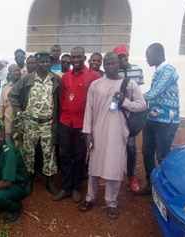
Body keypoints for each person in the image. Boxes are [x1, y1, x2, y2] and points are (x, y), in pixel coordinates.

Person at [78, 52, 146, 219]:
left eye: (113, 63)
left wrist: (125, 102)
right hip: (97, 131)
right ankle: (90, 198)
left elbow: (142, 105)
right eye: (107, 63)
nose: (110, 66)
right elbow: (89, 110)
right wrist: (87, 132)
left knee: (114, 166)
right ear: (103, 65)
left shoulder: (128, 84)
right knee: (94, 166)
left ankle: (112, 203)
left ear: (119, 64)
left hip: (118, 131)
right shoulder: (96, 84)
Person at [8, 51, 60, 196]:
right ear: (36, 63)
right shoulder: (27, 79)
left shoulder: (55, 79)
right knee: (29, 152)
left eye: (47, 62)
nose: (44, 64)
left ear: (50, 63)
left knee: (49, 153)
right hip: (30, 123)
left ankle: (50, 182)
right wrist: (19, 113)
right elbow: (12, 95)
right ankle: (28, 180)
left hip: (48, 123)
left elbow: (58, 101)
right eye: (42, 62)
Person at [53, 47, 100, 203]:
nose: (76, 60)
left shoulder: (94, 76)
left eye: (79, 57)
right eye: (73, 57)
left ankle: (76, 187)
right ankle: (65, 187)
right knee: (65, 155)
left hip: (83, 123)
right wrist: (61, 119)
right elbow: (62, 99)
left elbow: (96, 103)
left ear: (84, 58)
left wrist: (91, 126)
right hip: (66, 121)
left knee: (79, 156)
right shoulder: (65, 77)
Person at [135, 43, 180, 196]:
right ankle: (151, 185)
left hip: (166, 120)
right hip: (152, 117)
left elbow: (154, 93)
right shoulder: (158, 70)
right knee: (147, 152)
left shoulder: (168, 71)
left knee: (163, 156)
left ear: (158, 55)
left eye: (149, 56)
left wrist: (133, 98)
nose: (146, 59)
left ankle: (167, 192)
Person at [112, 45, 145, 191]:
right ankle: (109, 173)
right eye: (118, 58)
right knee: (111, 145)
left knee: (131, 147)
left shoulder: (137, 70)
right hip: (114, 116)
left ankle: (131, 175)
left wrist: (127, 103)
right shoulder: (112, 72)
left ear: (128, 55)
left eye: (124, 56)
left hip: (130, 117)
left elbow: (140, 99)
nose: (122, 60)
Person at [0, 64, 21, 143]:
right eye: (14, 71)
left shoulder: (24, 86)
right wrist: (1, 122)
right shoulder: (5, 88)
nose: (16, 72)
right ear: (9, 74)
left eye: (18, 70)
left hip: (21, 126)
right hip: (8, 125)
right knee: (9, 148)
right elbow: (1, 107)